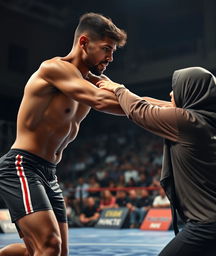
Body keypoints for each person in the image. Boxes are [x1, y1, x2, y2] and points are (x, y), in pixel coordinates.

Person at [0, 12, 126, 256]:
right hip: (22, 166)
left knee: (49, 251)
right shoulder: (53, 69)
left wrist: (176, 107)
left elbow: (131, 103)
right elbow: (100, 100)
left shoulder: (95, 81)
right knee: (49, 246)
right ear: (84, 42)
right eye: (106, 49)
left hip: (50, 173)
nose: (110, 57)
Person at [96, 67, 216, 256]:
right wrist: (127, 92)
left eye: (177, 88)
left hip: (213, 226)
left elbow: (139, 110)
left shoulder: (187, 122)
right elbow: (162, 106)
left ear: (191, 92)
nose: (171, 93)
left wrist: (119, 89)